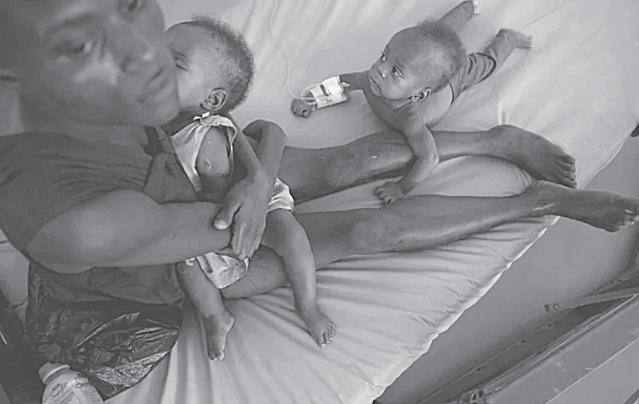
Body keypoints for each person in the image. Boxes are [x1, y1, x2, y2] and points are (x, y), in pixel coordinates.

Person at [0, 0, 637, 398]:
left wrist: (258, 176)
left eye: (134, 8)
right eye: (83, 44)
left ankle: (492, 141)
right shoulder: (82, 219)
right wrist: (259, 198)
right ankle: (537, 203)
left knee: (345, 162)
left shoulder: (160, 105)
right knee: (364, 234)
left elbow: (264, 135)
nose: (143, 54)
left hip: (215, 190)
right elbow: (225, 230)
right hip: (179, 261)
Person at [165, 18, 335, 359]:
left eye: (176, 64)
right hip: (201, 212)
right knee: (185, 264)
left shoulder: (204, 137)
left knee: (292, 238)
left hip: (237, 208)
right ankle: (216, 317)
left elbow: (221, 197)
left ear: (211, 99)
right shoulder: (157, 113)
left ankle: (308, 304)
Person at [291, 1, 554, 205]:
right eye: (384, 56)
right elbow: (344, 82)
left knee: (484, 65)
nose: (380, 68)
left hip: (453, 82)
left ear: (418, 95)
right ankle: (468, 7)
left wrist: (402, 187)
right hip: (428, 57)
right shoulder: (372, 81)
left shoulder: (411, 119)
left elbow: (429, 157)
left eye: (395, 71)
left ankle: (507, 39)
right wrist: (313, 99)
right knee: (436, 33)